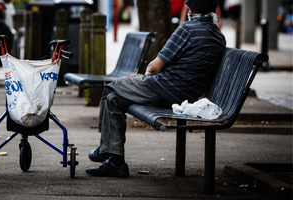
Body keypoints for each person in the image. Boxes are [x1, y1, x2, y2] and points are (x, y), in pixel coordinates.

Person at [86, 0, 226, 178]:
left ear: (190, 10)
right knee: (114, 99)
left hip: (164, 88)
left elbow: (154, 67)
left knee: (111, 88)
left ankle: (106, 150)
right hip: (188, 94)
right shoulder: (218, 36)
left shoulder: (187, 29)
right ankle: (116, 162)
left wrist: (144, 77)